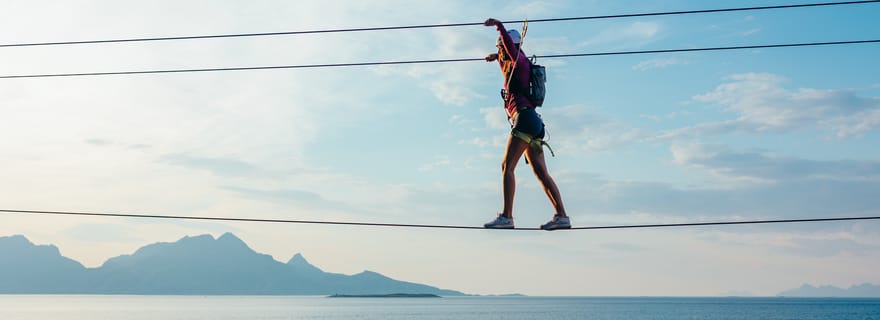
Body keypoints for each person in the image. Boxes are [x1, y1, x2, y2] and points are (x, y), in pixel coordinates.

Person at [482, 18, 570, 230]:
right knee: (541, 173)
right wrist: (496, 57)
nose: (499, 50)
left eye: (500, 46)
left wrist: (499, 26)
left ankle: (507, 216)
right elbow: (510, 58)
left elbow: (511, 51)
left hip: (524, 120)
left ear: (506, 45)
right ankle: (562, 216)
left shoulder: (517, 59)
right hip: (534, 124)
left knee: (507, 167)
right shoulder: (519, 62)